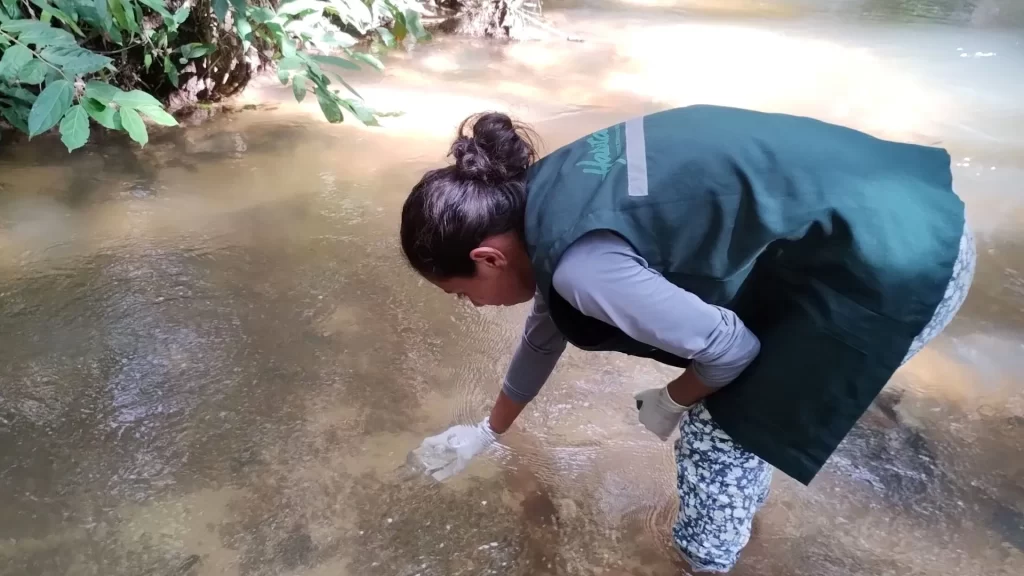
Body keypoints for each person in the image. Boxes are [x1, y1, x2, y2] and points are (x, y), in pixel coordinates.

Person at [400, 106, 975, 573]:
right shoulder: (547, 193)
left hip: (905, 268)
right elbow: (542, 335)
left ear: (488, 257)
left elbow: (732, 351)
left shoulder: (581, 267)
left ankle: (705, 563)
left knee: (717, 432)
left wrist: (673, 398)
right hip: (907, 208)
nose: (473, 306)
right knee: (739, 410)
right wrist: (487, 431)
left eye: (461, 293)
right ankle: (753, 520)